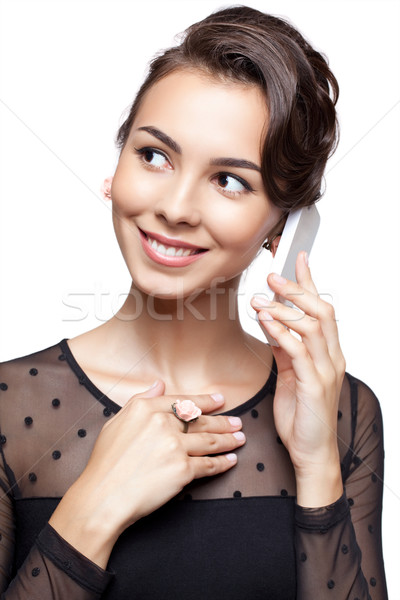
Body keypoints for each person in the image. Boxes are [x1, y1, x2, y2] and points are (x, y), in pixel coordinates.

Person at [0, 5, 387, 599]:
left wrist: (317, 468)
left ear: (281, 226)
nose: (177, 207)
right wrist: (90, 512)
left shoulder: (346, 414)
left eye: (230, 180)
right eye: (154, 155)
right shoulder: (7, 411)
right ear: (116, 166)